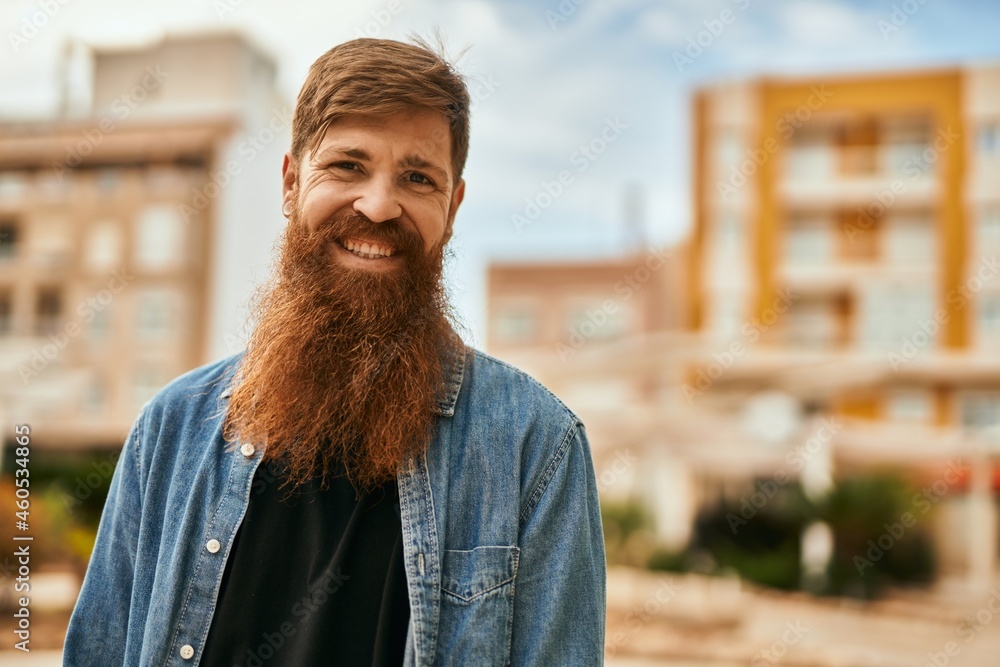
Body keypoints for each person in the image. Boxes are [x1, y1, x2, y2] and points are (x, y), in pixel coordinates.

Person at [64, 36, 606, 666]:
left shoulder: (536, 448)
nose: (378, 205)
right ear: (292, 183)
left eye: (417, 177)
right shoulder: (171, 432)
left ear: (452, 208)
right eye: (348, 165)